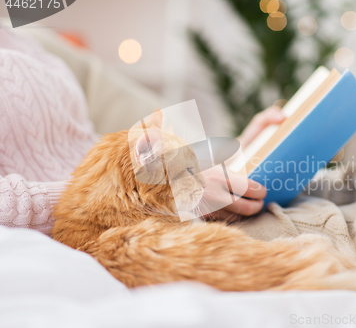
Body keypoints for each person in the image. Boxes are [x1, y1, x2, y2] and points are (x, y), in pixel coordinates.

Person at [0, 27, 285, 235]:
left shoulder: (27, 40)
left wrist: (226, 154)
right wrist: (167, 197)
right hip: (103, 229)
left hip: (148, 206)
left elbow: (88, 149)